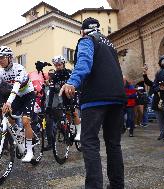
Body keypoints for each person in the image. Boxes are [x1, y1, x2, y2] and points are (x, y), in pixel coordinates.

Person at [60, 17, 127, 188]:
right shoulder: (110, 45)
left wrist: (72, 82)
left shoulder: (87, 40)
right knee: (113, 143)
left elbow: (84, 62)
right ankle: (117, 185)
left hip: (95, 98)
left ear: (83, 31)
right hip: (117, 97)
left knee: (89, 141)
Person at [0, 46, 35, 162]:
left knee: (25, 121)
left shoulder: (19, 68)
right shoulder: (0, 72)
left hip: (28, 95)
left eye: (2, 57)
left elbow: (16, 86)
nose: (0, 60)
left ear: (9, 58)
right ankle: (18, 132)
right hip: (17, 96)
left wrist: (9, 102)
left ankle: (29, 152)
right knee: (5, 112)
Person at [46, 56, 81, 150]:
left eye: (59, 64)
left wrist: (76, 96)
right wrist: (49, 106)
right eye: (56, 65)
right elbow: (52, 91)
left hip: (73, 93)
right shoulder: (55, 76)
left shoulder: (69, 72)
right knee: (67, 114)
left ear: (63, 64)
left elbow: (76, 85)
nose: (57, 67)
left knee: (73, 112)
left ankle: (79, 132)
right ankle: (72, 128)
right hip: (64, 96)